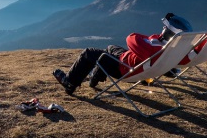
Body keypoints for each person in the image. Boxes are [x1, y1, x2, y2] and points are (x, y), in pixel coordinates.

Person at [53, 13, 193, 95]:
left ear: (169, 32)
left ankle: (70, 83)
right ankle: (95, 77)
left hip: (124, 69)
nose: (163, 28)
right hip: (137, 65)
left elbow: (131, 38)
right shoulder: (174, 49)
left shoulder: (153, 50)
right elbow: (149, 42)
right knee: (110, 48)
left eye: (165, 28)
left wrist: (150, 39)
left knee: (89, 53)